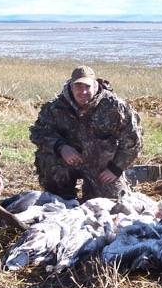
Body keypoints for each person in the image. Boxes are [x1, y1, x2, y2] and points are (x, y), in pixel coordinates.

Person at [30, 65, 143, 202]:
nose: (83, 92)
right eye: (78, 87)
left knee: (110, 205)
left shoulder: (115, 106)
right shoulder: (55, 107)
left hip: (102, 168)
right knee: (54, 195)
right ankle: (62, 194)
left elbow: (133, 141)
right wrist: (60, 147)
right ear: (71, 86)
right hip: (66, 164)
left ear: (95, 86)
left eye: (87, 87)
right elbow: (38, 132)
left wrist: (115, 168)